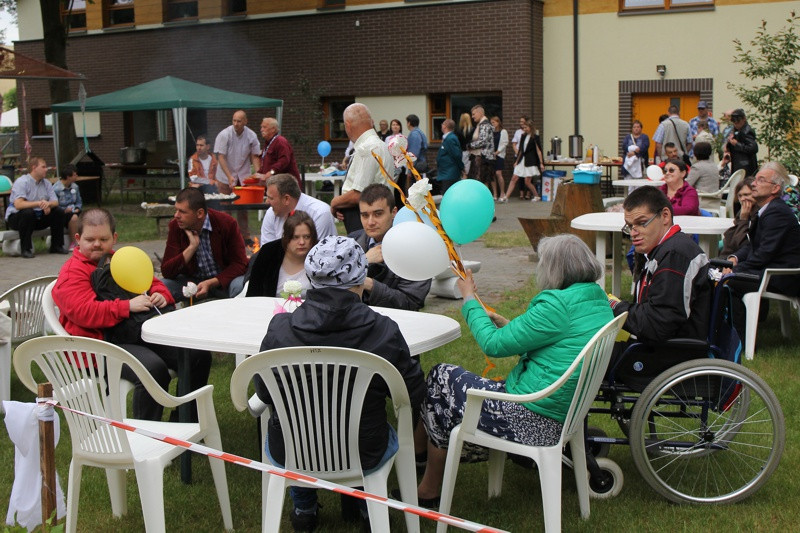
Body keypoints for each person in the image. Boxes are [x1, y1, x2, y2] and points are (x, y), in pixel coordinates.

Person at [413, 234, 613, 507]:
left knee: (439, 377)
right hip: (565, 413)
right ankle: (421, 462)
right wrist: (506, 323)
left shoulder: (556, 305)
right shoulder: (595, 297)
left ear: (554, 268)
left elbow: (492, 345)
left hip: (533, 417)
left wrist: (469, 298)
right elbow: (557, 345)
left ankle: (425, 478)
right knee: (442, 388)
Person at [257, 235, 425, 531]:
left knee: (299, 430)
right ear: (361, 278)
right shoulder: (382, 330)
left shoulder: (281, 329)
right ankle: (365, 505)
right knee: (359, 427)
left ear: (310, 278)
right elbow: (411, 392)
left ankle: (304, 509)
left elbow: (263, 392)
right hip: (365, 449)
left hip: (292, 448)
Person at [51, 208, 211, 421]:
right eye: (90, 239)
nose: (97, 244)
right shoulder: (73, 272)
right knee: (153, 369)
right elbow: (83, 313)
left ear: (114, 238)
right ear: (78, 239)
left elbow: (153, 282)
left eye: (103, 239)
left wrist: (161, 295)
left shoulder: (119, 259)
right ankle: (145, 437)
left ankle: (184, 421)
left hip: (134, 332)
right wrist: (126, 306)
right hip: (98, 345)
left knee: (197, 356)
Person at [609, 186, 710, 343]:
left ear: (665, 216)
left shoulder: (675, 255)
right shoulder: (665, 249)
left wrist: (616, 307)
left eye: (642, 223)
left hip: (672, 352)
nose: (633, 233)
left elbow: (657, 324)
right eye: (630, 226)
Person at [725, 162, 800, 306]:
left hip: (781, 277)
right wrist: (734, 258)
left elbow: (765, 253)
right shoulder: (767, 210)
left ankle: (734, 328)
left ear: (775, 188)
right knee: (715, 271)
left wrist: (735, 269)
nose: (753, 184)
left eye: (761, 180)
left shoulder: (777, 212)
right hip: (768, 271)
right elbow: (753, 245)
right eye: (755, 179)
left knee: (728, 279)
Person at [348, 183, 431, 311]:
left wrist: (370, 285)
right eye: (365, 215)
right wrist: (363, 261)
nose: (370, 222)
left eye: (378, 214)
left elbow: (411, 302)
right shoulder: (350, 243)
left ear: (394, 212)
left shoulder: (414, 249)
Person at [160, 187, 248, 302]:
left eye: (182, 212)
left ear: (200, 213)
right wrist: (191, 248)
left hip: (224, 280)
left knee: (240, 286)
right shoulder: (176, 226)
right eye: (176, 210)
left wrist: (211, 283)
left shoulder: (226, 223)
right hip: (194, 282)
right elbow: (167, 271)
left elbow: (240, 264)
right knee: (162, 286)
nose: (176, 215)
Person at [329, 103, 391, 233]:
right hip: (370, 212)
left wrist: (335, 202)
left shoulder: (367, 148)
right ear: (371, 122)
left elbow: (358, 194)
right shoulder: (378, 144)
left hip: (364, 215)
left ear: (348, 125)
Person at [4, 156, 68, 258]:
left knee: (58, 212)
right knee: (27, 212)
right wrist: (39, 203)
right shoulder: (22, 182)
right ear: (34, 168)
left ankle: (56, 246)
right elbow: (18, 204)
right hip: (17, 217)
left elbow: (55, 202)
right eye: (43, 167)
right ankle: (26, 249)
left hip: (37, 216)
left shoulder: (46, 183)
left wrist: (48, 204)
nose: (46, 169)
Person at [247, 210, 317, 298]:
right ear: (286, 238)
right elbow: (253, 294)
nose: (302, 242)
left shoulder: (320, 257)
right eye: (295, 237)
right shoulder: (269, 253)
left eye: (307, 237)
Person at [214, 110, 261, 238]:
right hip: (224, 175)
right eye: (234, 120)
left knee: (243, 207)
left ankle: (244, 236)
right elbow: (221, 157)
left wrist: (257, 173)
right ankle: (226, 236)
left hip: (243, 175)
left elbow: (255, 156)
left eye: (239, 121)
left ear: (245, 121)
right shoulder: (224, 134)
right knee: (225, 207)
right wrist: (229, 177)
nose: (236, 123)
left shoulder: (251, 135)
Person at [259, 173, 337, 245]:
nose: (267, 202)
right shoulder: (272, 213)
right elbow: (266, 251)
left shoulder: (320, 213)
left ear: (286, 199)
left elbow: (321, 254)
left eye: (271, 198)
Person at [501, 119, 543, 202]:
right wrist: (517, 161)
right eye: (523, 128)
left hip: (530, 161)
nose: (524, 129)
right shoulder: (523, 136)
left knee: (527, 181)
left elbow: (539, 150)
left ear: (530, 127)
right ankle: (506, 197)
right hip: (522, 160)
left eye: (526, 127)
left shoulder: (535, 137)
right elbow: (521, 150)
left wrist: (541, 163)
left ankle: (536, 196)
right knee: (514, 177)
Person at [255, 117, 301, 188]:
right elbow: (267, 164)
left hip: (286, 185)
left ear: (273, 129)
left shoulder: (280, 141)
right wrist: (257, 174)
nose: (261, 130)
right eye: (261, 127)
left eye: (264, 127)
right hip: (275, 185)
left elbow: (284, 161)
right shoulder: (267, 144)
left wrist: (271, 172)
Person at [719, 176, 755, 257]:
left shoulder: (758, 214)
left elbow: (740, 243)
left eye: (746, 194)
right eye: (740, 196)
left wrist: (743, 220)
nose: (742, 199)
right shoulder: (742, 212)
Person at [52, 164, 82, 250]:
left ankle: (83, 241)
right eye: (75, 174)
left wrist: (77, 208)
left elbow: (79, 201)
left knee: (82, 216)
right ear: (68, 177)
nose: (77, 176)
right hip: (63, 213)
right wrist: (64, 210)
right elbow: (55, 204)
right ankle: (74, 243)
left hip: (74, 210)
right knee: (74, 218)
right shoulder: (56, 189)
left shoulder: (75, 187)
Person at [467, 105, 495, 186]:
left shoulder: (484, 125)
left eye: (473, 114)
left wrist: (470, 145)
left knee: (481, 182)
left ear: (480, 113)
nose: (472, 117)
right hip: (480, 157)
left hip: (483, 158)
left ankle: (482, 198)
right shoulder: (482, 124)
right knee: (480, 182)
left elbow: (483, 141)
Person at [686, 142, 719, 210]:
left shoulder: (697, 167)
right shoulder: (714, 165)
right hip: (715, 198)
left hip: (702, 199)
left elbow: (687, 185)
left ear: (695, 153)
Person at [726, 108, 758, 177]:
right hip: (738, 165)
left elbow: (753, 148)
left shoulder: (746, 131)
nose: (736, 123)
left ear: (744, 119)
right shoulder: (737, 131)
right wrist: (730, 143)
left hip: (746, 167)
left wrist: (737, 144)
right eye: (734, 121)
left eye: (738, 121)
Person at [435, 119, 463, 195]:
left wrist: (461, 167)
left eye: (442, 124)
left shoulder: (451, 138)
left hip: (450, 173)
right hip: (446, 172)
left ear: (445, 126)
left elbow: (457, 155)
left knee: (448, 194)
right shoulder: (447, 138)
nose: (441, 125)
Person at [490, 116, 508, 201]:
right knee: (492, 174)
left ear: (498, 122)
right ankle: (495, 194)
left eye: (494, 122)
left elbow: (504, 143)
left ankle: (502, 192)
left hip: (499, 155)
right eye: (492, 123)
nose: (493, 124)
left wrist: (497, 152)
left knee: (498, 173)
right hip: (491, 155)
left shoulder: (503, 131)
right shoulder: (491, 132)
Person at [405, 114, 428, 178]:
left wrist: (410, 169)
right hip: (421, 165)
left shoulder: (414, 134)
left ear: (409, 123)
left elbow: (413, 153)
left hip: (417, 168)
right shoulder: (420, 132)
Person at [457, 112, 474, 179]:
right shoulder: (473, 130)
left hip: (462, 152)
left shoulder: (459, 131)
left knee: (464, 172)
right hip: (471, 152)